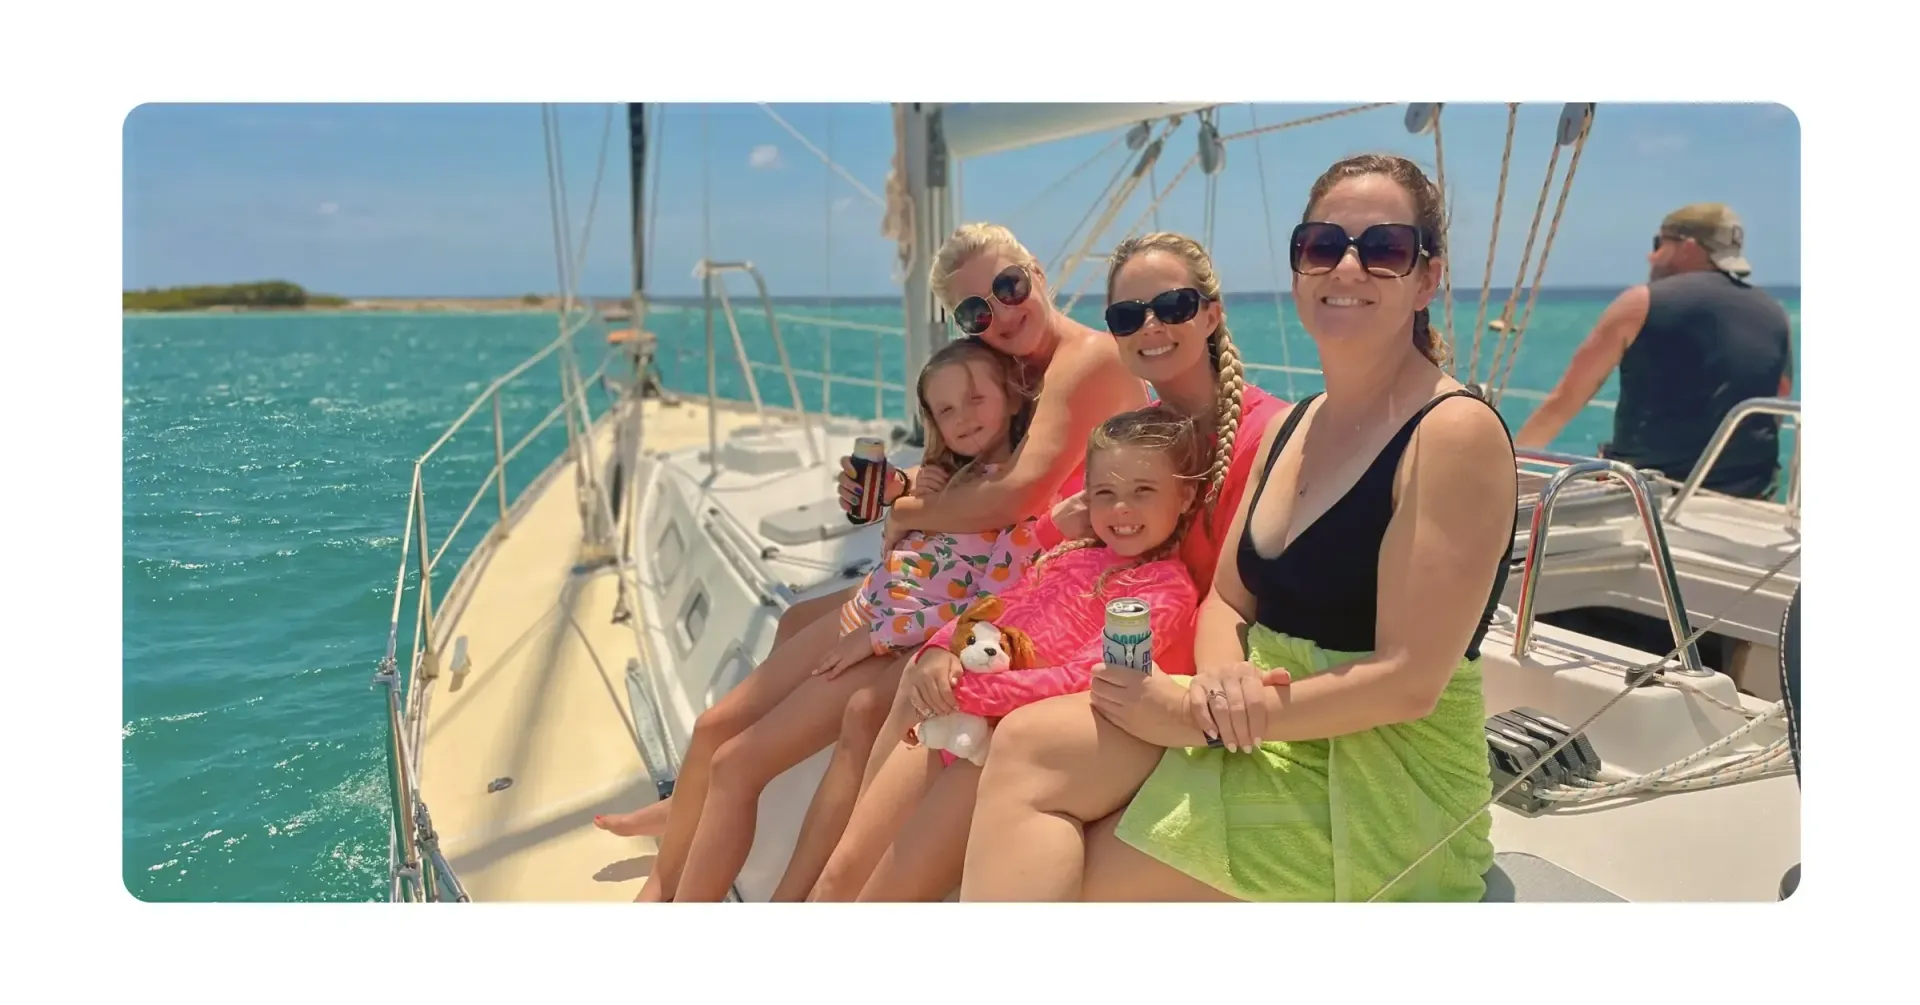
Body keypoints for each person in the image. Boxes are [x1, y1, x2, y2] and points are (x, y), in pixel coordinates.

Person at [959, 153, 1519, 902]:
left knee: (1085, 876)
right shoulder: (1297, 427)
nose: (1347, 267)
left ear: (1426, 279)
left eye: (1383, 248)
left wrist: (1200, 714)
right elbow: (1227, 600)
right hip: (1255, 722)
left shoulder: (1452, 433)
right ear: (1299, 269)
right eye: (1322, 245)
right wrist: (1220, 680)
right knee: (1028, 745)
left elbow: (1410, 682)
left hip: (1375, 777)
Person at [638, 224, 1146, 902]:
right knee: (793, 623)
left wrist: (907, 512)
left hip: (1000, 603)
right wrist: (901, 488)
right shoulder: (1013, 372)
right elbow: (986, 473)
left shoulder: (1087, 360)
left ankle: (733, 858)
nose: (1000, 312)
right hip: (956, 584)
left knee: (821, 719)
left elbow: (1018, 495)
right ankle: (692, 815)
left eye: (1009, 286)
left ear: (1037, 272)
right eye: (976, 311)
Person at [773, 230, 1288, 900]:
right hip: (1047, 657)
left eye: (1173, 306)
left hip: (1127, 677)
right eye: (1127, 315)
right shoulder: (1138, 436)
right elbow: (1047, 555)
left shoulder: (1266, 434)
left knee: (895, 859)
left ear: (1212, 313)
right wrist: (941, 641)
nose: (1151, 327)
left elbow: (1230, 602)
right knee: (861, 835)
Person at [810, 408, 1208, 900]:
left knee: (884, 897)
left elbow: (1085, 677)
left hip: (992, 752)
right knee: (840, 875)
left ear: (1185, 495)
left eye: (1143, 491)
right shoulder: (1074, 553)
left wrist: (970, 689)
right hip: (956, 716)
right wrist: (940, 649)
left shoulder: (1165, 591)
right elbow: (999, 607)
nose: (1121, 509)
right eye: (1105, 493)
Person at [1513, 202, 1794, 500]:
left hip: (1649, 498)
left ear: (1687, 247)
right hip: (1748, 495)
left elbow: (1565, 400)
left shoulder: (1641, 302)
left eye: (1658, 244)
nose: (1651, 256)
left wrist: (1508, 470)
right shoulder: (1775, 313)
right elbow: (1779, 398)